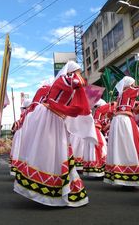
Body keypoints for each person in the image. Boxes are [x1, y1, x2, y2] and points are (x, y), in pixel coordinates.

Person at [13, 61, 91, 207]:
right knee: (49, 151)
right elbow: (79, 82)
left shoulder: (66, 82)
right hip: (49, 118)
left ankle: (52, 188)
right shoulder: (65, 80)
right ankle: (47, 190)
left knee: (55, 151)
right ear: (72, 71)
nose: (80, 74)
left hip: (54, 118)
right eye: (78, 71)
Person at [104, 76, 139, 188]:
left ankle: (122, 174)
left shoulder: (121, 95)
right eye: (132, 83)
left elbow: (136, 107)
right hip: (124, 121)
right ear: (129, 84)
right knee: (130, 145)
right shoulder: (129, 91)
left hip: (118, 121)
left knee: (120, 147)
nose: (134, 86)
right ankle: (131, 173)